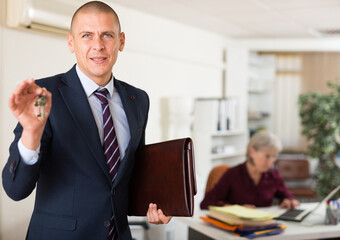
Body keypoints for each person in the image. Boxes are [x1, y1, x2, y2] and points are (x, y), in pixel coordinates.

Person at [2, 1, 171, 239]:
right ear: (71, 42)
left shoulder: (138, 99)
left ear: (121, 41)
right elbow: (15, 189)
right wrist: (31, 133)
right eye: (87, 35)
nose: (98, 46)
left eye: (107, 35)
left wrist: (158, 203)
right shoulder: (43, 95)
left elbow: (131, 176)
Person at [200, 131, 300, 210]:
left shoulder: (273, 175)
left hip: (264, 228)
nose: (271, 161)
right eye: (267, 156)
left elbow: (287, 196)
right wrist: (233, 209)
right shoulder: (232, 174)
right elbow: (206, 204)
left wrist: (289, 201)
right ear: (252, 151)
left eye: (274, 157)